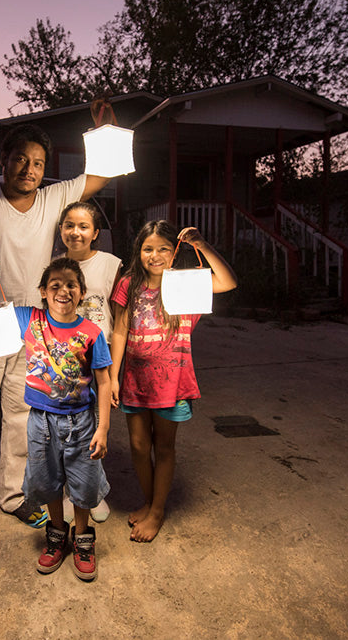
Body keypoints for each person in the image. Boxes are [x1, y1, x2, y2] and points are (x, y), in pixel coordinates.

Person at [0, 124, 111, 555]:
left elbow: (102, 173)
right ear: (3, 159)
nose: (29, 170)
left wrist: (100, 126)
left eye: (37, 164)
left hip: (32, 325)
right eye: (20, 160)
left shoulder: (53, 198)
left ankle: (13, 495)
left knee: (21, 418)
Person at [0, 258, 112, 581]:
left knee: (82, 482)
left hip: (82, 422)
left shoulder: (92, 332)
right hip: (41, 422)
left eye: (70, 285)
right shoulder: (29, 319)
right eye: (55, 285)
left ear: (81, 293)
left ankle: (82, 539)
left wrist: (103, 427)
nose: (63, 291)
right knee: (48, 480)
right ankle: (56, 536)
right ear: (43, 292)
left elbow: (104, 381)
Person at [108, 221, 238, 542]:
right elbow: (121, 330)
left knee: (163, 447)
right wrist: (113, 376)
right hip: (135, 380)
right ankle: (151, 501)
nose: (155, 255)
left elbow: (228, 281)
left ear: (174, 251)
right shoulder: (129, 284)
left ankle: (156, 511)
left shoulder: (187, 283)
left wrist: (201, 245)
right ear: (138, 252)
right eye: (147, 248)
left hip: (173, 382)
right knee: (139, 446)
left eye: (163, 248)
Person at [55, 201, 122, 524]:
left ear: (96, 233)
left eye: (83, 227)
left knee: (96, 427)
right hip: (63, 359)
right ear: (61, 230)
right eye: (69, 225)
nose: (76, 232)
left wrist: (115, 374)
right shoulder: (53, 264)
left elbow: (119, 317)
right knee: (67, 430)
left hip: (98, 358)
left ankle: (94, 493)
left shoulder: (111, 264)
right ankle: (70, 493)